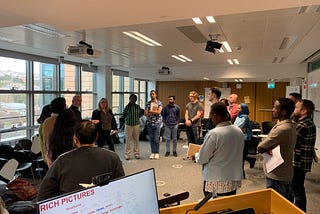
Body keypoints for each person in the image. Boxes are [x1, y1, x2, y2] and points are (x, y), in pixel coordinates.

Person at [37, 120, 125, 201]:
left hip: (73, 207)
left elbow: (43, 195)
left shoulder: (62, 161)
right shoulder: (113, 157)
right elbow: (122, 187)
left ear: (75, 139)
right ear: (96, 136)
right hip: (104, 203)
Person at [196, 102, 244, 197]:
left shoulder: (214, 134)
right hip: (233, 178)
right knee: (229, 206)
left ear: (215, 116)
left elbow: (202, 158)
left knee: (214, 208)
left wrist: (196, 155)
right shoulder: (239, 131)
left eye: (210, 114)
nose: (210, 118)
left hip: (216, 179)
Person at [257, 98, 296, 199]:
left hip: (277, 174)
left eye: (275, 107)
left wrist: (266, 147)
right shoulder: (291, 125)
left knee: (275, 204)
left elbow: (260, 148)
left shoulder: (281, 129)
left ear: (283, 112)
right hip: (285, 172)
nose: (272, 109)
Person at [289, 99, 316, 212]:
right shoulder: (308, 122)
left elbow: (290, 142)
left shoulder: (302, 124)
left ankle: (300, 211)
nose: (294, 109)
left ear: (304, 111)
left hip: (298, 162)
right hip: (302, 162)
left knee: (296, 191)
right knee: (294, 189)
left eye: (296, 107)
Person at [41, 97, 66, 163]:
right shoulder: (64, 120)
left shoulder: (46, 121)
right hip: (63, 155)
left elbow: (45, 139)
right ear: (64, 107)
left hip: (50, 155)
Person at [234, 103, 254, 173]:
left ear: (243, 109)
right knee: (239, 155)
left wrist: (236, 128)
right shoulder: (238, 116)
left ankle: (241, 171)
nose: (237, 109)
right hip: (239, 136)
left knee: (241, 155)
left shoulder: (244, 117)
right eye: (237, 108)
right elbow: (235, 126)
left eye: (239, 108)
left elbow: (237, 127)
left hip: (244, 138)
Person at [123, 94, 144, 160]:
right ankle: (127, 155)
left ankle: (137, 154)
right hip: (128, 125)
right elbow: (124, 115)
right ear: (130, 99)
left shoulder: (137, 107)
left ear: (136, 100)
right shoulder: (127, 107)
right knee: (128, 140)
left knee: (136, 140)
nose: (133, 100)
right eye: (131, 98)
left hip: (136, 125)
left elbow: (140, 115)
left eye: (134, 99)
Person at [145, 90, 163, 160]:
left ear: (156, 95)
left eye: (153, 94)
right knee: (151, 138)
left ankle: (157, 152)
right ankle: (153, 152)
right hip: (149, 123)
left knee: (156, 138)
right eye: (151, 94)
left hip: (157, 123)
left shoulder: (159, 103)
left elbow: (159, 112)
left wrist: (150, 111)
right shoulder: (148, 103)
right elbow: (146, 113)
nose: (152, 95)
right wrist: (154, 112)